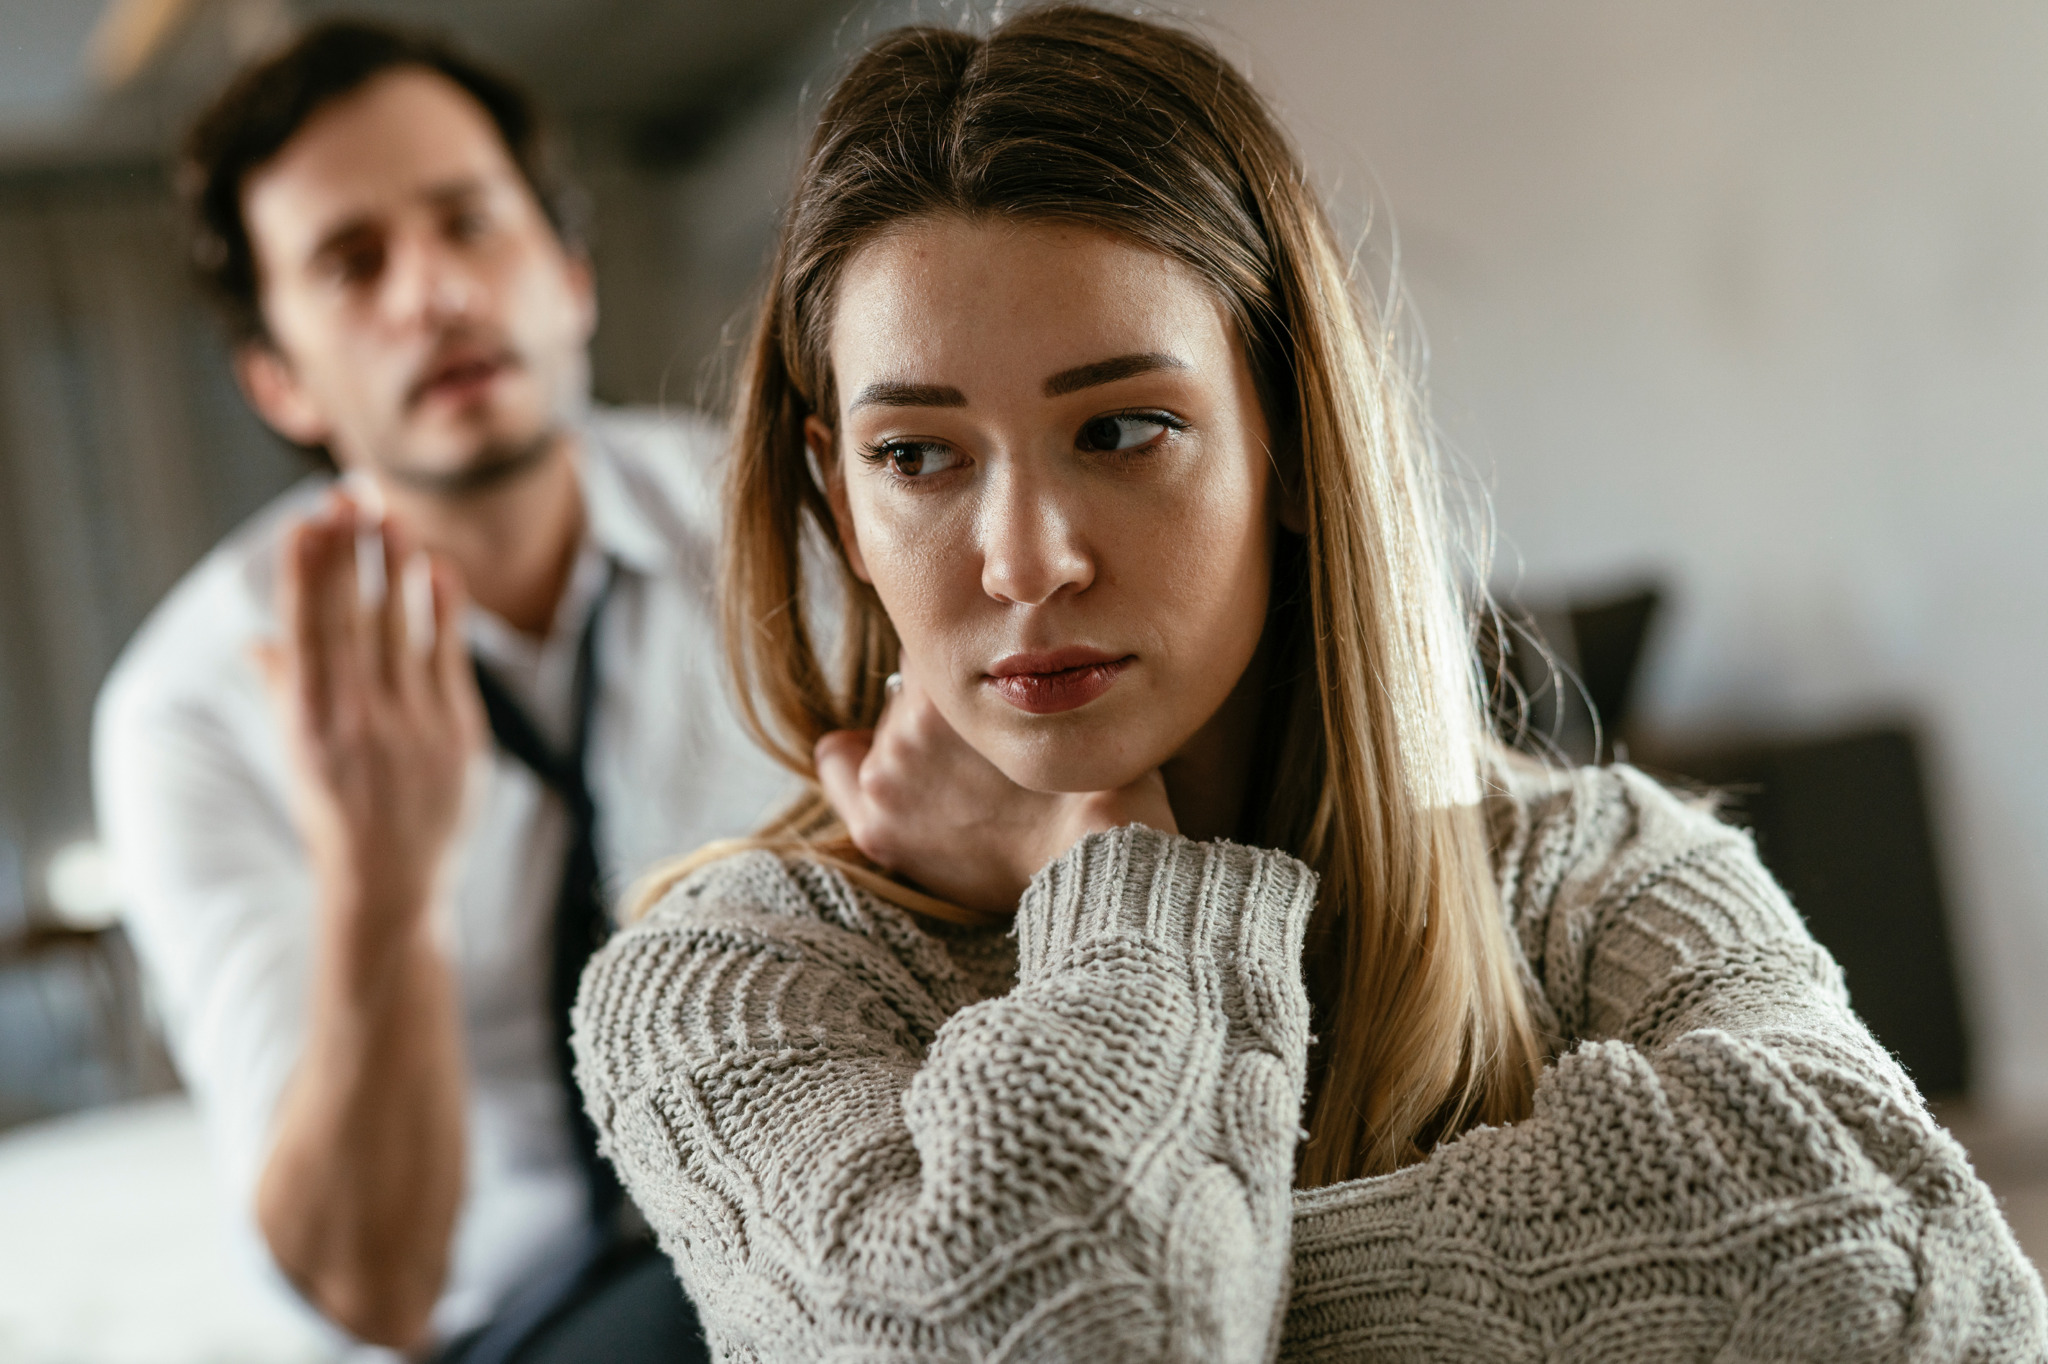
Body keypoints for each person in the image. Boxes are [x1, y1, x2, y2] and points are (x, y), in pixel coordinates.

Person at [569, 7, 2048, 1361]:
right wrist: (1129, 884)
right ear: (837, 496)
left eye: (1123, 430)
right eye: (919, 455)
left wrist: (1206, 1278)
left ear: (1286, 437)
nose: (1025, 561)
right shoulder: (724, 986)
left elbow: (1899, 1275)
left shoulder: (1603, 875)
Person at [92, 20, 791, 1361]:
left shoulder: (776, 527)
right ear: (280, 381)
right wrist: (383, 883)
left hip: (806, 1224)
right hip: (504, 1324)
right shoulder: (185, 716)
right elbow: (370, 1285)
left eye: (470, 223)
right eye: (352, 264)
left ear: (569, 271)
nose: (434, 293)